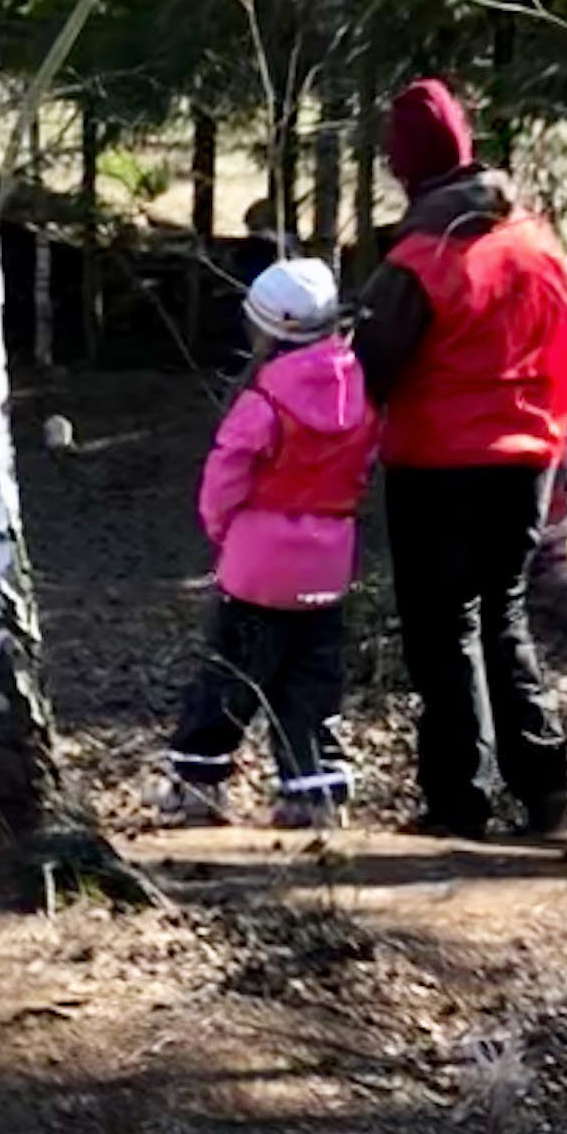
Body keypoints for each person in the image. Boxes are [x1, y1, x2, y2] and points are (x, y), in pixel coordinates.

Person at [352, 79, 567, 839]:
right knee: (505, 613)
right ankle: (546, 789)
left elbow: (374, 364)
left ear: (407, 167)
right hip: (530, 460)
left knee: (445, 628)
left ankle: (459, 799)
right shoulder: (542, 245)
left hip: (438, 463)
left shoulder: (420, 260)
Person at [162, 257, 379, 830]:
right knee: (311, 677)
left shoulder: (263, 399)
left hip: (257, 561)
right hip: (329, 559)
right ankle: (315, 789)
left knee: (230, 672)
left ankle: (198, 781)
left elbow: (225, 475)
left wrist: (222, 530)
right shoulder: (361, 386)